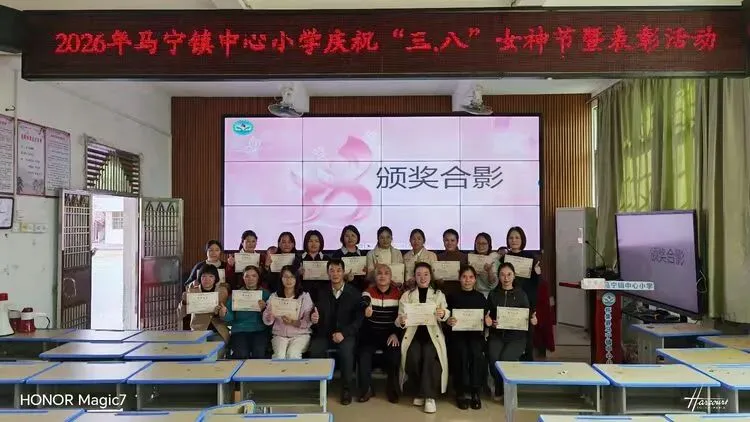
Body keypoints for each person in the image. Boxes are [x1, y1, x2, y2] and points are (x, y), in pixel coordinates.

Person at [396, 262, 449, 414]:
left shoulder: (438, 294)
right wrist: (401, 321)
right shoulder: (407, 295)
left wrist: (443, 314)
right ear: (414, 277)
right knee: (413, 357)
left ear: (430, 276)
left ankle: (429, 397)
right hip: (413, 336)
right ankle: (420, 391)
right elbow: (399, 319)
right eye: (418, 274)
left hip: (432, 336)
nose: (422, 277)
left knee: (428, 356)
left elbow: (447, 313)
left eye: (426, 274)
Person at [309, 258, 364, 405]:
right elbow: (314, 312)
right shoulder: (321, 292)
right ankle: (319, 387)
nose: (335, 274)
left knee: (346, 352)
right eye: (332, 270)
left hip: (346, 334)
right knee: (315, 349)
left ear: (344, 272)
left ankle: (346, 389)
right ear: (327, 273)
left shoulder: (354, 293)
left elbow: (358, 320)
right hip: (325, 333)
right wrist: (313, 317)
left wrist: (344, 333)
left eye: (339, 270)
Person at [485, 262, 538, 400]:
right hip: (497, 335)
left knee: (506, 359)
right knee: (494, 359)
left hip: (517, 337)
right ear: (498, 277)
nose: (506, 278)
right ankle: (499, 386)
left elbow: (529, 315)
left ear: (514, 276)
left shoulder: (521, 294)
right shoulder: (493, 294)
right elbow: (488, 315)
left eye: (509, 274)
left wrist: (533, 320)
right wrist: (490, 322)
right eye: (502, 275)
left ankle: (508, 389)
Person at [358, 264, 402, 403]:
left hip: (390, 334)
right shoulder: (368, 292)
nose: (383, 276)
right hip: (371, 334)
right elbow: (364, 301)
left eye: (386, 273)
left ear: (391, 277)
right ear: (375, 277)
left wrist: (395, 333)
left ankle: (392, 389)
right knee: (363, 354)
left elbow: (401, 317)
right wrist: (366, 308)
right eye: (379, 273)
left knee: (394, 355)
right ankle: (367, 389)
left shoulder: (398, 294)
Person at [497, 226, 541, 361]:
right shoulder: (503, 258)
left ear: (522, 240)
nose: (514, 240)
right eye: (511, 238)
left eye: (517, 237)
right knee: (510, 334)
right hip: (508, 300)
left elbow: (536, 282)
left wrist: (537, 273)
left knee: (527, 336)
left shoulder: (531, 257)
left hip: (526, 299)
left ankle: (527, 367)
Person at [446, 265, 487, 410]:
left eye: (470, 277)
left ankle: (475, 391)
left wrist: (487, 321)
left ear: (475, 279)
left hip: (475, 335)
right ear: (459, 279)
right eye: (464, 277)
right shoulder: (452, 296)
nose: (467, 280)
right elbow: (446, 316)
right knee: (461, 352)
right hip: (457, 335)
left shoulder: (480, 297)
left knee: (476, 353)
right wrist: (448, 320)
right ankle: (460, 391)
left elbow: (485, 319)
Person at [262, 265, 314, 359]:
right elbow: (267, 319)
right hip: (280, 335)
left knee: (292, 355)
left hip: (300, 335)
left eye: (292, 277)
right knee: (279, 356)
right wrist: (269, 317)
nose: (289, 280)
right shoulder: (274, 296)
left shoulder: (304, 297)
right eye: (285, 277)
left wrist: (294, 322)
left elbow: (308, 321)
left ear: (296, 279)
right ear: (281, 279)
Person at [224, 265, 271, 359]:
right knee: (241, 353)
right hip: (239, 330)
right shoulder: (236, 294)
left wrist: (264, 309)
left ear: (258, 277)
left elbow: (270, 319)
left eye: (254, 276)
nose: (250, 279)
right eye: (247, 276)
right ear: (243, 278)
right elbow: (229, 318)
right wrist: (224, 313)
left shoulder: (266, 294)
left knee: (259, 352)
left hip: (260, 330)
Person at [177, 265, 230, 344]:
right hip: (198, 330)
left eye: (211, 276)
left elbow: (228, 315)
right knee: (199, 349)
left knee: (217, 349)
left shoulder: (222, 291)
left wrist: (222, 313)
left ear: (215, 278)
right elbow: (180, 314)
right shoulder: (192, 291)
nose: (207, 279)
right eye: (204, 276)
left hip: (218, 330)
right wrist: (184, 302)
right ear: (200, 278)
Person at [293, 230, 329, 302]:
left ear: (321, 243)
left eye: (317, 241)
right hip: (303, 296)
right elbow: (292, 279)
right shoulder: (298, 259)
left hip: (323, 296)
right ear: (306, 243)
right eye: (310, 241)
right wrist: (298, 273)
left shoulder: (327, 259)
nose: (314, 244)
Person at [330, 225, 368, 291]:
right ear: (343, 238)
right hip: (343, 290)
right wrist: (344, 277)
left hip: (362, 290)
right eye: (347, 236)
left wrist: (367, 272)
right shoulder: (337, 254)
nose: (350, 238)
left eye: (353, 235)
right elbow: (332, 274)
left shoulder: (364, 254)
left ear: (357, 237)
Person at [436, 229, 468, 297]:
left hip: (461, 294)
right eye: (446, 240)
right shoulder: (438, 257)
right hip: (442, 295)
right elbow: (436, 281)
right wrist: (438, 282)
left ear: (457, 241)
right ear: (443, 241)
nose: (449, 243)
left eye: (452, 240)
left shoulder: (465, 257)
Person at [472, 232, 499, 297]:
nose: (480, 246)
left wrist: (489, 271)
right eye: (478, 243)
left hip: (488, 296)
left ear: (489, 245)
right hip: (472, 294)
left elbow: (493, 283)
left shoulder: (494, 260)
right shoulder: (470, 258)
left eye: (484, 243)